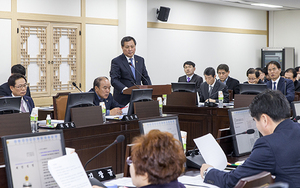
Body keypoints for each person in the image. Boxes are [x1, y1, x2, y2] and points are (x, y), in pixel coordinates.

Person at [200, 90, 300, 188]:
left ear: (264, 119)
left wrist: (208, 171)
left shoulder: (268, 145)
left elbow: (231, 181)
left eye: (255, 121)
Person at [110, 36, 152, 106]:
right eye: (127, 47)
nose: (130, 49)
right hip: (123, 99)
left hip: (138, 98)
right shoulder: (117, 61)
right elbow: (114, 80)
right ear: (122, 47)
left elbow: (145, 77)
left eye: (132, 47)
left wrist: (150, 90)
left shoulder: (140, 60)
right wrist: (125, 90)